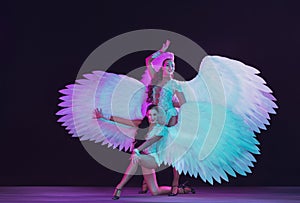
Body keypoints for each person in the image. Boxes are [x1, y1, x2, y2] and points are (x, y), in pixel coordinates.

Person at [94, 105, 192, 200]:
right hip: (145, 158)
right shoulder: (143, 125)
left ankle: (119, 187)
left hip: (154, 159)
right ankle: (182, 190)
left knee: (136, 159)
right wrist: (104, 117)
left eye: (154, 115)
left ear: (158, 116)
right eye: (150, 115)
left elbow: (150, 141)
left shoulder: (162, 129)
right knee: (155, 191)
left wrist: (137, 150)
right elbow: (125, 122)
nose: (152, 117)